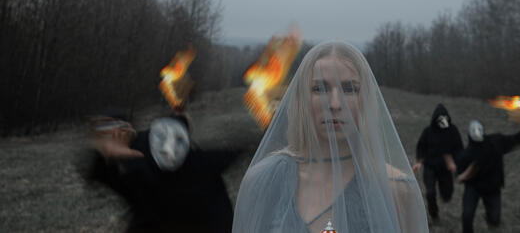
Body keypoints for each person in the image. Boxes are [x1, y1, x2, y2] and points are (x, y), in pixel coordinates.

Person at [232, 41, 429, 233]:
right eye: (320, 88)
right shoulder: (263, 182)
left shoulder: (397, 190)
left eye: (349, 88)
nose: (335, 104)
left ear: (366, 99)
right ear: (302, 98)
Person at [80, 112, 240, 233]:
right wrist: (104, 155)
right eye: (161, 137)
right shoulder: (141, 175)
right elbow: (104, 177)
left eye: (178, 139)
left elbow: (223, 222)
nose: (168, 149)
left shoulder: (204, 176)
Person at [456, 119, 520, 233]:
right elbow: (460, 174)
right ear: (469, 134)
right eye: (473, 131)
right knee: (467, 216)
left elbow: (512, 140)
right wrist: (464, 175)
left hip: (492, 187)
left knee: (494, 219)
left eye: (478, 130)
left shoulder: (495, 142)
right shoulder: (466, 154)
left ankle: (491, 219)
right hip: (473, 187)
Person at [412, 103, 464, 223]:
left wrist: (455, 162)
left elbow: (459, 148)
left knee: (447, 194)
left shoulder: (453, 131)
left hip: (445, 168)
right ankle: (434, 215)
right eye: (440, 118)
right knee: (430, 193)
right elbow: (421, 147)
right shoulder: (428, 131)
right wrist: (419, 160)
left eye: (445, 118)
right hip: (430, 167)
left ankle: (446, 195)